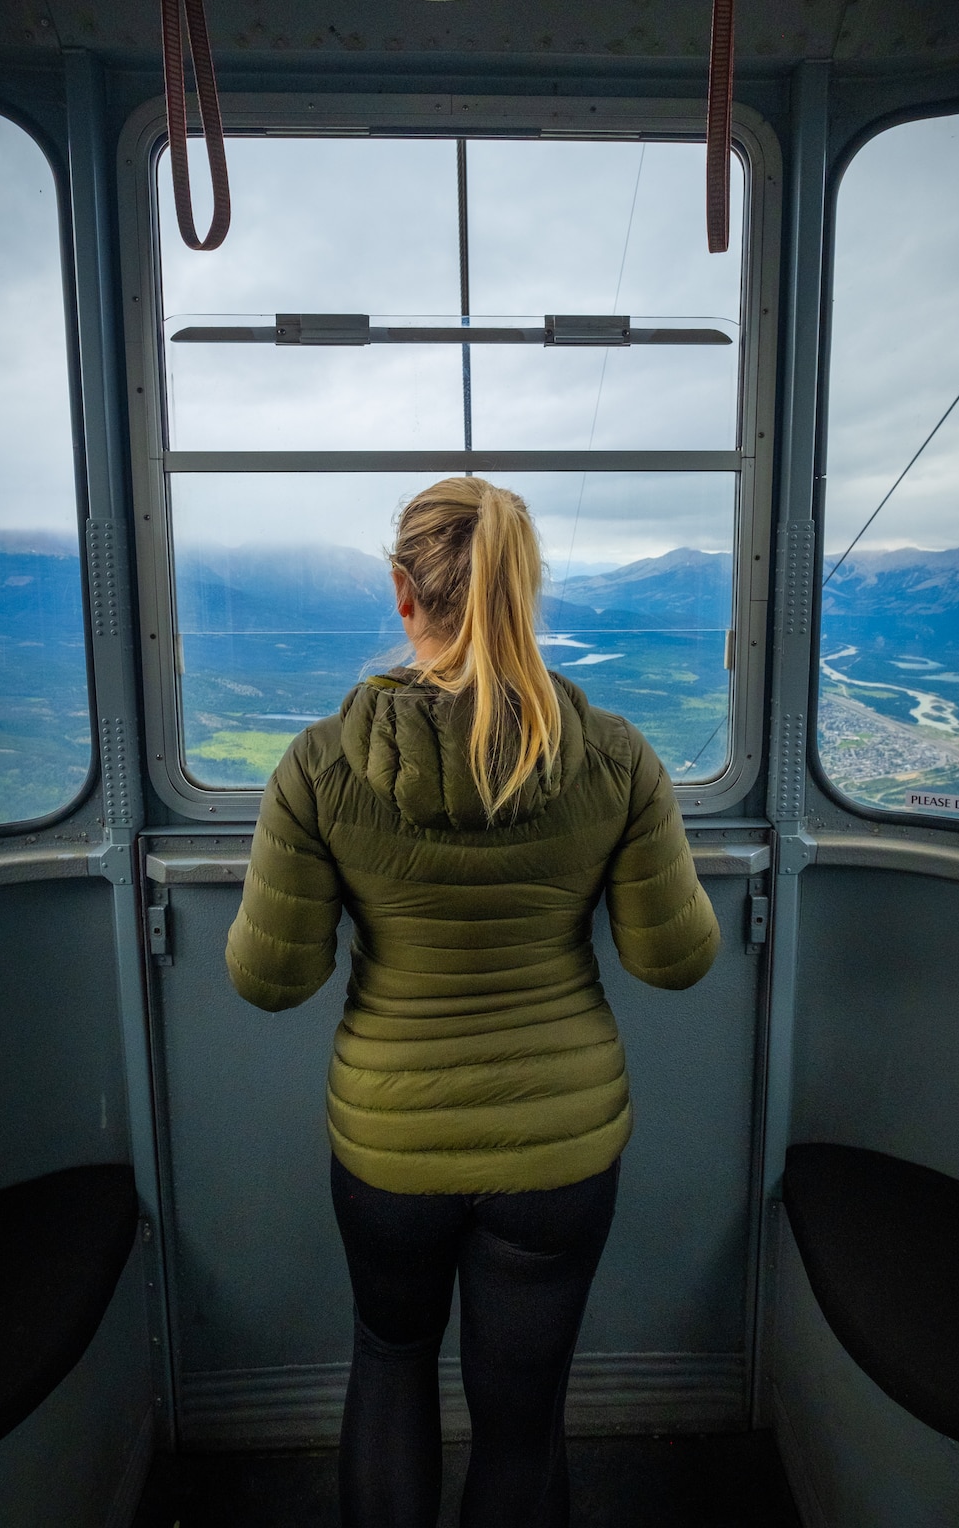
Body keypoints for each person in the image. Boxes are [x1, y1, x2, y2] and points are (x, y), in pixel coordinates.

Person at [225, 476, 720, 1528]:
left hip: (389, 1143)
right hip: (559, 1148)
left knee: (390, 1362)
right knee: (524, 1421)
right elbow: (675, 962)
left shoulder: (316, 766)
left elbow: (272, 982)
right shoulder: (619, 756)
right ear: (527, 590)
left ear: (403, 593)